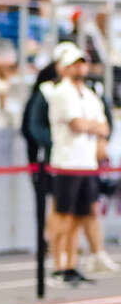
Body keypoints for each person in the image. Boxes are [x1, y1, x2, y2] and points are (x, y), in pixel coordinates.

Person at [46, 46, 110, 286]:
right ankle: (57, 264)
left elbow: (104, 127)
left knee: (80, 216)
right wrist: (92, 126)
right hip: (67, 163)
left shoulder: (90, 94)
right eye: (75, 64)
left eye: (83, 63)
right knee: (63, 215)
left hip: (87, 163)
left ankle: (71, 264)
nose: (81, 68)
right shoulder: (61, 93)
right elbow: (76, 125)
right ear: (66, 67)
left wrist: (91, 126)